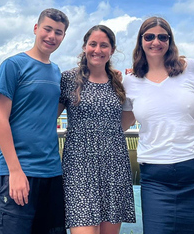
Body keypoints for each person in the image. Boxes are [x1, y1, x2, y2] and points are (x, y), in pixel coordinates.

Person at [122, 16, 194, 234]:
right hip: (156, 177)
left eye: (162, 37)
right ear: (140, 41)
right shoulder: (130, 81)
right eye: (149, 37)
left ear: (170, 41)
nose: (155, 42)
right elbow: (121, 123)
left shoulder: (192, 68)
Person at [0, 8, 69, 234]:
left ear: (63, 37)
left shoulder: (57, 72)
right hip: (19, 171)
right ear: (36, 29)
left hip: (52, 171)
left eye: (58, 32)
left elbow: (48, 113)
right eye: (47, 29)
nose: (51, 36)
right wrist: (15, 171)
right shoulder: (13, 65)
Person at [58, 25, 136, 234]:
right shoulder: (68, 79)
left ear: (112, 50)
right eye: (93, 44)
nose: (97, 50)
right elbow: (48, 117)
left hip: (114, 165)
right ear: (84, 47)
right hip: (79, 168)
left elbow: (124, 120)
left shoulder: (117, 82)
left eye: (104, 45)